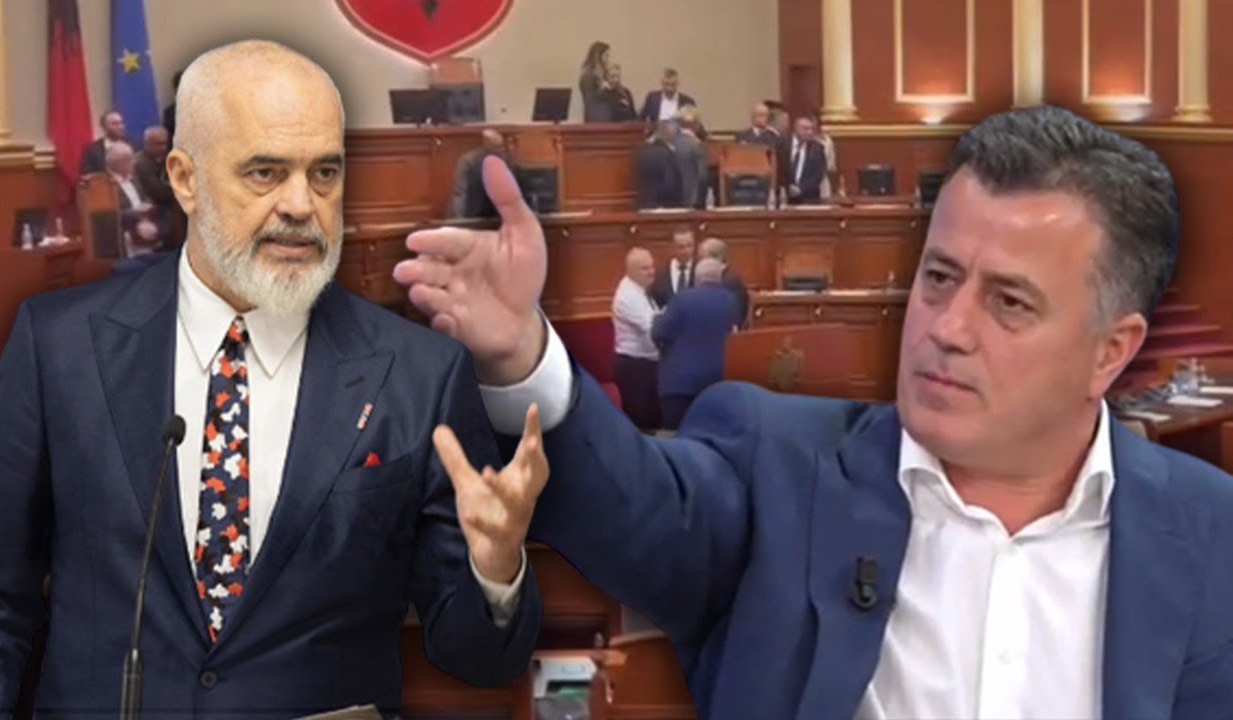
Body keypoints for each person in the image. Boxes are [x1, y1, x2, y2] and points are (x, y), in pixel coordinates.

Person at [395, 105, 1233, 719]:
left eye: (1009, 302)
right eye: (940, 277)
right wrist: (519, 353)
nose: (947, 327)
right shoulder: (777, 469)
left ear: (1110, 351)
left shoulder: (1211, 535)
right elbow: (636, 505)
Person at [0, 40, 542, 718]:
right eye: (266, 173)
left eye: (325, 173)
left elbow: (478, 657)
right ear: (185, 179)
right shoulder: (59, 346)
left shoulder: (420, 374)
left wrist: (496, 570)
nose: (302, 204)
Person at [651, 258, 738, 430]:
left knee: (676, 437)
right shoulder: (731, 301)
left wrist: (657, 321)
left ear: (696, 278)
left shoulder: (682, 299)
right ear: (719, 277)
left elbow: (659, 333)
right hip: (718, 382)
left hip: (679, 384)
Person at [611, 247, 661, 431]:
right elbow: (654, 328)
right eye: (645, 268)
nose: (651, 272)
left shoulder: (640, 290)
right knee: (641, 425)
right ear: (631, 271)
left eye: (652, 266)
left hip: (646, 365)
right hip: (636, 368)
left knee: (652, 420)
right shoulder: (628, 297)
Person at [447, 128, 510, 219]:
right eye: (496, 147)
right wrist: (459, 220)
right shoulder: (468, 161)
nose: (500, 150)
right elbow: (460, 193)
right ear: (486, 143)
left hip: (494, 215)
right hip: (471, 215)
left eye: (501, 146)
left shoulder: (504, 160)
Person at [633, 120, 684, 210]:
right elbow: (670, 183)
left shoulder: (643, 151)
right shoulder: (669, 155)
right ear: (671, 135)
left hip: (644, 204)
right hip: (664, 206)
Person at [699, 237, 748, 328]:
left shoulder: (730, 281)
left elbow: (734, 316)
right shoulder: (713, 277)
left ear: (717, 258)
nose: (699, 263)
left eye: (702, 259)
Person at [649, 227, 696, 308]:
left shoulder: (700, 271)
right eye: (681, 247)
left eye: (689, 246)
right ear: (672, 247)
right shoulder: (660, 274)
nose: (686, 251)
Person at [80, 110, 128, 175]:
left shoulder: (131, 145)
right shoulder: (92, 150)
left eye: (121, 123)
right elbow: (86, 175)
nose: (120, 127)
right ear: (104, 127)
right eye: (114, 124)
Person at [578, 41, 611, 123]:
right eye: (606, 55)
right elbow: (590, 100)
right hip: (596, 120)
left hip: (605, 118)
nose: (608, 58)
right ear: (599, 56)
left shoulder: (603, 74)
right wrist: (603, 89)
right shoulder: (588, 76)